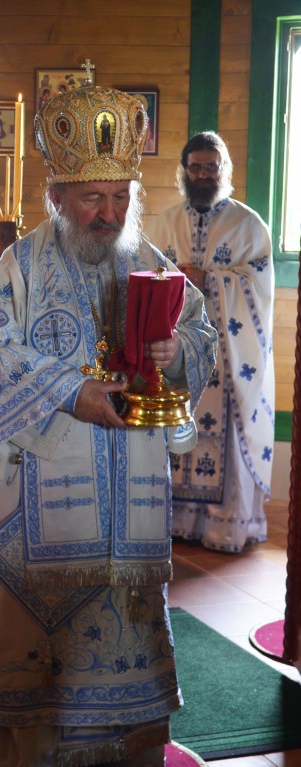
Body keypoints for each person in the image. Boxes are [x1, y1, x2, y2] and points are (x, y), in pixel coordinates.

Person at [0, 85, 217, 767]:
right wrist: (71, 393)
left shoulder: (150, 262)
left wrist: (176, 352)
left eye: (119, 197)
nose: (108, 214)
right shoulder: (20, 266)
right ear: (57, 197)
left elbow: (200, 333)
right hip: (44, 496)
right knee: (38, 655)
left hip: (132, 503)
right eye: (91, 198)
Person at [147, 131, 275, 553]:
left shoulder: (248, 225)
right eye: (195, 167)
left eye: (211, 167)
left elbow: (258, 286)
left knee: (226, 431)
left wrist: (210, 280)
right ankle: (178, 522)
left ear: (224, 170)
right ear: (184, 171)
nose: (202, 175)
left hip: (228, 358)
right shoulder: (163, 223)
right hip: (179, 354)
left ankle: (223, 526)